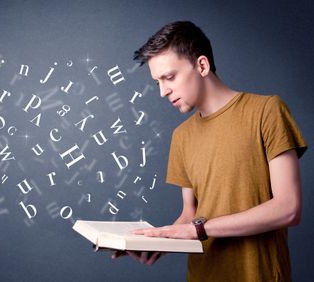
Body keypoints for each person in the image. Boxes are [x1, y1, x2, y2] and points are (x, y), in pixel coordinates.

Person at [111, 21, 308, 281]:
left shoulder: (267, 111)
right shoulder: (181, 136)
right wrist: (157, 241)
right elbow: (190, 216)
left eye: (169, 77)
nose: (163, 91)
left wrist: (199, 229)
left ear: (201, 65)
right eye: (157, 82)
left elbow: (288, 208)